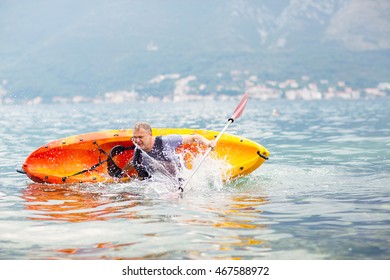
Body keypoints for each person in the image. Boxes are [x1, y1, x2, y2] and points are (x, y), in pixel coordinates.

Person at [122, 122, 216, 180]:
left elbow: (194, 137)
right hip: (158, 181)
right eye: (135, 137)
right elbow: (132, 161)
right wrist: (121, 175)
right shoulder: (138, 149)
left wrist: (208, 143)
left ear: (150, 134)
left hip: (181, 177)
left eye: (140, 137)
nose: (137, 141)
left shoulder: (166, 141)